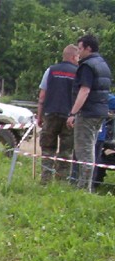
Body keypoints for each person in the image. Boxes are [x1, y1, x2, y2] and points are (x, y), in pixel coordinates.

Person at [68, 34, 111, 191]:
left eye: (80, 49)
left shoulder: (87, 66)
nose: (78, 53)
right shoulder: (103, 64)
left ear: (89, 48)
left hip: (87, 112)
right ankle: (86, 185)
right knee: (91, 148)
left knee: (84, 151)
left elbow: (84, 90)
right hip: (100, 112)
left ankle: (83, 188)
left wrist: (73, 113)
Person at [37, 45, 79, 183]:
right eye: (78, 57)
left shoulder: (51, 70)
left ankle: (45, 179)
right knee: (66, 152)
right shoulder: (78, 72)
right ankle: (61, 182)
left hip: (50, 114)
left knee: (47, 149)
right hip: (69, 117)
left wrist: (39, 116)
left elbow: (42, 96)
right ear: (73, 57)